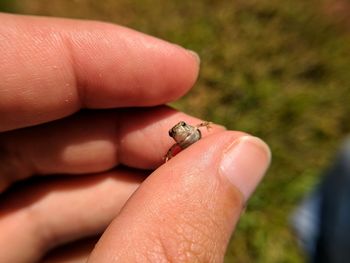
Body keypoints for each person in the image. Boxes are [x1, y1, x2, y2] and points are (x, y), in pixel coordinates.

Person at [0, 13, 271, 262]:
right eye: (175, 132)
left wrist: (192, 138)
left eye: (179, 129)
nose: (178, 130)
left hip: (197, 149)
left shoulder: (188, 134)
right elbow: (186, 140)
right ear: (176, 136)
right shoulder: (180, 142)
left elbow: (198, 129)